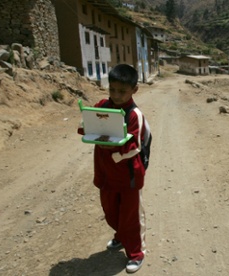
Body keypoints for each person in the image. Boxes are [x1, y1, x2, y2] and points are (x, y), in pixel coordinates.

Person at [77, 64, 150, 273]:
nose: (116, 96)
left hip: (128, 175)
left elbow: (134, 147)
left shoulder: (134, 115)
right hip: (105, 173)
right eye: (112, 90)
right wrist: (88, 126)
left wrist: (111, 149)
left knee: (130, 215)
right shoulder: (102, 105)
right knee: (111, 210)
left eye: (122, 91)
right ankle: (120, 236)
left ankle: (136, 253)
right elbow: (87, 124)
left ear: (134, 90)